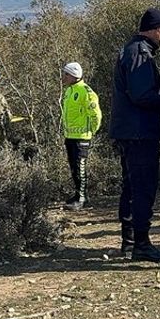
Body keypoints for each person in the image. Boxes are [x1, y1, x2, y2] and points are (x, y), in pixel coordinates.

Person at [110, 7, 160, 261]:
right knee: (142, 188)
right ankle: (141, 243)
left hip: (131, 130)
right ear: (151, 30)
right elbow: (140, 95)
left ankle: (130, 241)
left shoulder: (131, 50)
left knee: (131, 186)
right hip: (140, 132)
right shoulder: (139, 53)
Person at [60, 61, 102, 210]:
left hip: (82, 137)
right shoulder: (69, 91)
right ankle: (78, 194)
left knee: (80, 167)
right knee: (73, 167)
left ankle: (82, 199)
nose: (63, 77)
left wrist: (91, 131)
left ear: (73, 75)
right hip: (69, 136)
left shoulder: (86, 91)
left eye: (66, 74)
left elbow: (95, 114)